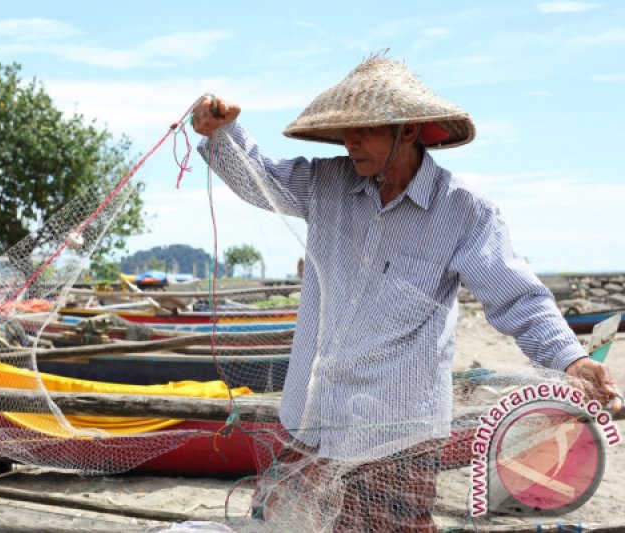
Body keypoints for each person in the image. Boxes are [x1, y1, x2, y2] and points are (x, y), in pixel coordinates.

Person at [191, 56, 621, 531]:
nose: (351, 141)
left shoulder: (464, 212)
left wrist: (572, 360)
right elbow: (262, 179)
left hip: (398, 434)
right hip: (314, 417)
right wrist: (220, 131)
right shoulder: (326, 184)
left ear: (411, 130)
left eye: (366, 129)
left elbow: (518, 299)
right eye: (345, 131)